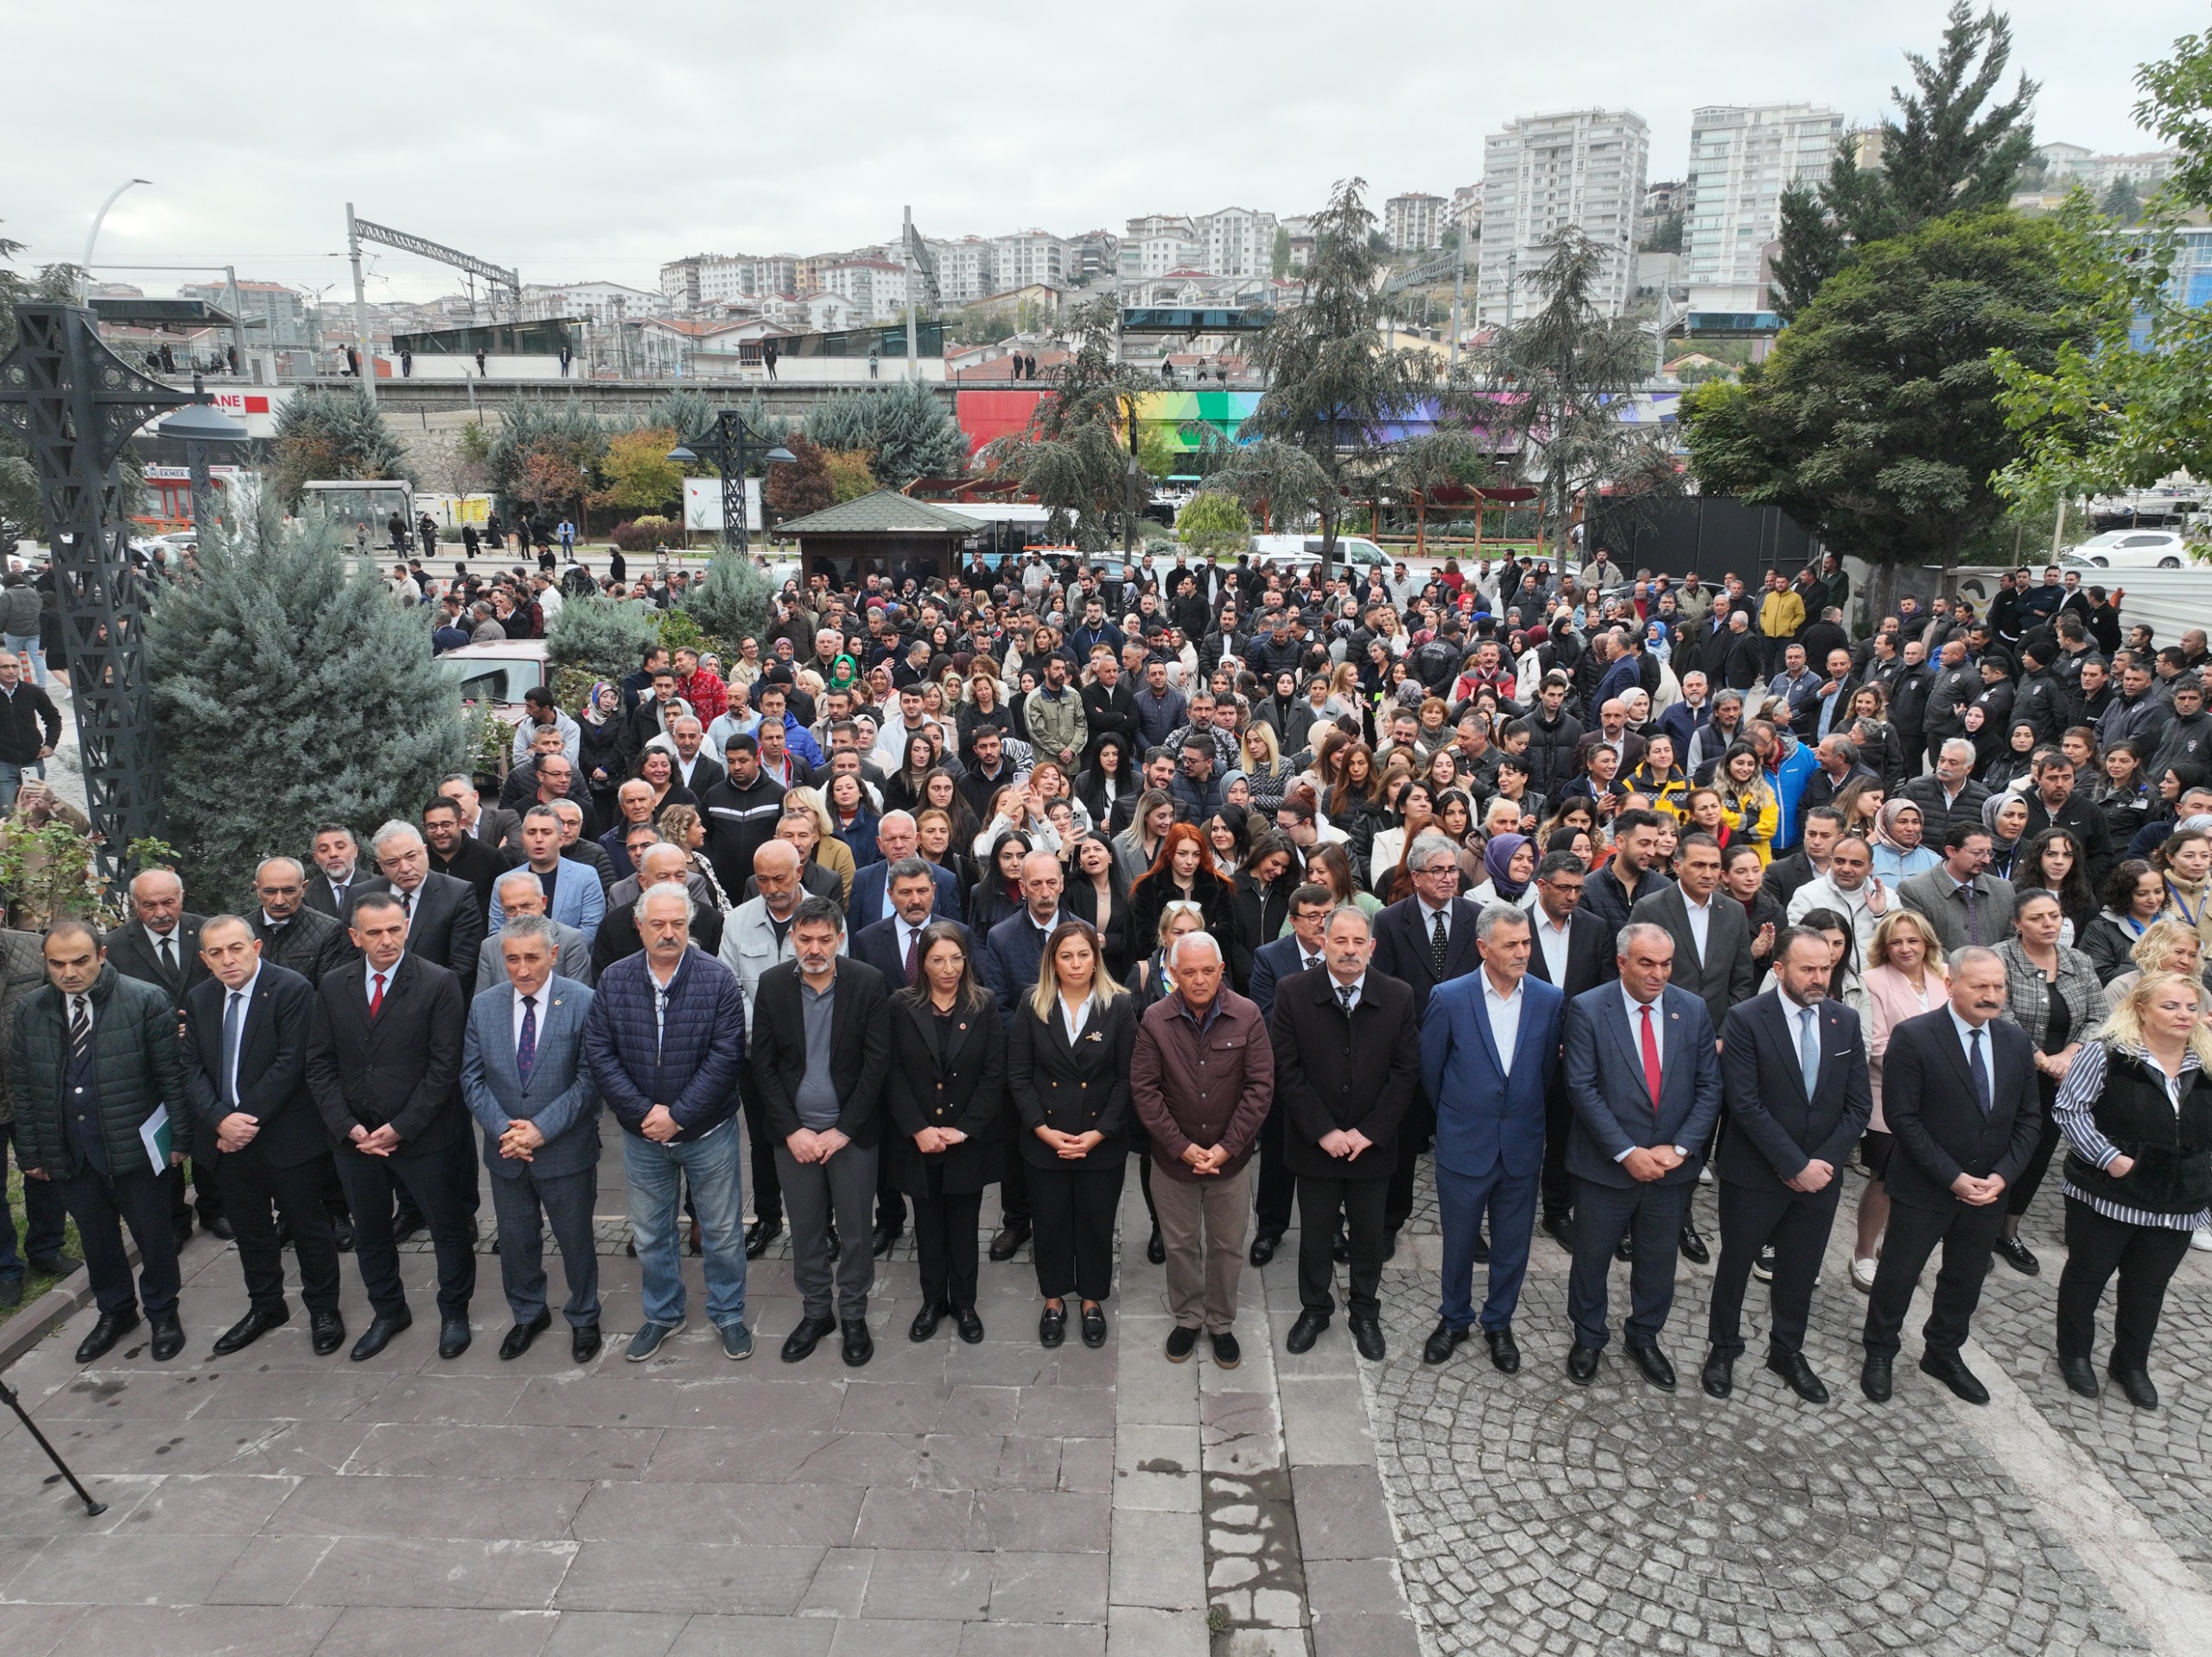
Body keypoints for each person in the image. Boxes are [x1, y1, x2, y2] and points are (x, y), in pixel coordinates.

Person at [1859, 946, 2042, 1405]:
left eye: (1998, 986)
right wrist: (1953, 1177)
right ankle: (1880, 1350)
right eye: (1980, 986)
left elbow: (2028, 1119)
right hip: (1926, 1186)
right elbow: (1903, 1117)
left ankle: (1943, 1351)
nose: (1991, 995)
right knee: (1899, 1274)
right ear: (1951, 983)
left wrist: (2002, 1177)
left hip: (1988, 1192)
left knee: (1964, 1280)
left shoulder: (2015, 1041)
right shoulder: (1916, 1036)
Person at [1701, 928, 1874, 1402]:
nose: (1820, 978)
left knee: (1800, 1269)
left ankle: (1787, 1349)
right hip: (1755, 1173)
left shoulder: (1842, 1021)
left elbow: (1858, 1105)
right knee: (1736, 1264)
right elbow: (1745, 1102)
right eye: (1808, 969)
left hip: (1821, 1176)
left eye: (1826, 968)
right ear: (1779, 970)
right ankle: (1723, 1346)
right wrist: (1793, 1163)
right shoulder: (1746, 1019)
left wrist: (1821, 1164)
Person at [305, 891, 477, 1363]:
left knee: (447, 1228)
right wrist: (347, 1127)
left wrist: (401, 1127)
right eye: (375, 932)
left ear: (406, 927)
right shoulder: (333, 984)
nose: (387, 941)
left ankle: (455, 1311)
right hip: (356, 1141)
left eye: (394, 929)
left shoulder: (438, 982)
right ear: (355, 937)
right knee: (372, 1231)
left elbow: (445, 1067)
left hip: (424, 1136)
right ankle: (388, 1310)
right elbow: (319, 1062)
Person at [583, 886, 752, 1362]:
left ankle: (728, 1312)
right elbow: (600, 1052)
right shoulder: (615, 980)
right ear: (639, 927)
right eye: (657, 924)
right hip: (642, 1137)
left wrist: (678, 1115)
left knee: (720, 1230)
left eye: (677, 923)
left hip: (707, 1132)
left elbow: (725, 1056)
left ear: (690, 925)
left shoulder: (717, 979)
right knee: (652, 1232)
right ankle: (662, 1312)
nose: (668, 932)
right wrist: (642, 1114)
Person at [13, 920, 191, 1363]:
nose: (69, 972)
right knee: (96, 1238)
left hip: (133, 1146)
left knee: (153, 1236)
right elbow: (23, 1085)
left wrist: (181, 1139)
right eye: (57, 963)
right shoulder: (30, 1009)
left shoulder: (145, 1000)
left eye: (80, 961)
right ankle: (115, 1311)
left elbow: (171, 1076)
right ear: (45, 962)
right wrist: (32, 1152)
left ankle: (163, 1312)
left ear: (102, 955)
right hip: (71, 1152)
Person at [1559, 923, 1723, 1390]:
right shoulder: (1589, 1008)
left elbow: (1710, 1087)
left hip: (1670, 1168)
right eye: (1647, 963)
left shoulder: (1691, 1010)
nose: (1658, 974)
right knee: (1591, 1258)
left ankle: (1645, 1336)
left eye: (1666, 964)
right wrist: (1626, 1152)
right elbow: (1582, 1088)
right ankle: (1589, 1336)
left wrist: (1679, 1148)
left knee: (1657, 1261)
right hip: (1605, 1167)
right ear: (1623, 962)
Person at [182, 916, 344, 1359]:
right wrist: (220, 1121)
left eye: (235, 948)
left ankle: (324, 1309)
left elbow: (291, 1063)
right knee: (252, 1231)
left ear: (256, 947)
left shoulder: (291, 990)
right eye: (215, 953)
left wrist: (243, 1121)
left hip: (286, 1136)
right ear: (204, 959)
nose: (227, 959)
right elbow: (191, 1067)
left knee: (308, 1228)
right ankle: (266, 1306)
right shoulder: (200, 999)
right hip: (226, 1144)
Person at [2050, 970, 2212, 1409]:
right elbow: (2070, 1110)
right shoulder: (2107, 1054)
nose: (2184, 1015)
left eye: (2191, 1007)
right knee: (2088, 1276)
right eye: (2171, 1005)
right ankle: (2075, 1354)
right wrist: (2110, 1159)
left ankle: (2130, 1364)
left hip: (2179, 1203)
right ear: (2141, 1008)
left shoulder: (2208, 1061)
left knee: (2148, 1288)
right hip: (2106, 1196)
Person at [1414, 903, 1561, 1372]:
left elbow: (1544, 1073)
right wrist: (1460, 1117)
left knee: (1513, 1243)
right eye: (1511, 945)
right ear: (1483, 948)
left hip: (1521, 1144)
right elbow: (1431, 1071)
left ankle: (1499, 1322)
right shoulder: (1449, 997)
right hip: (1464, 1142)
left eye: (1526, 944)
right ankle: (1454, 1319)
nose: (1522, 953)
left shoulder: (1548, 999)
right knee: (1457, 1240)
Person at [752, 896, 892, 1367]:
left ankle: (853, 1313)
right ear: (793, 937)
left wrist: (843, 1131)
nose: (814, 949)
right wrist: (791, 1131)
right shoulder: (772, 986)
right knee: (807, 1230)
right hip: (794, 1139)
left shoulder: (868, 984)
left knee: (854, 1231)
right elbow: (764, 1067)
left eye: (824, 940)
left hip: (850, 1136)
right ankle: (816, 1312)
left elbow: (877, 1065)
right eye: (805, 939)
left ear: (840, 938)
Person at [461, 914, 603, 1365]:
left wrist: (541, 1129)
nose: (522, 970)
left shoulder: (583, 1001)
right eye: (512, 960)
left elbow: (589, 1079)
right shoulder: (484, 1005)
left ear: (554, 955)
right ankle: (527, 1313)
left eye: (532, 959)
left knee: (575, 1238)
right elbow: (471, 1077)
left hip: (564, 1149)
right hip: (506, 1150)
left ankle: (584, 1315)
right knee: (517, 1238)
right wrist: (506, 1130)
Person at [1131, 930, 1273, 1368]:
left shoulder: (1248, 1015)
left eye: (1207, 971)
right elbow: (1145, 1090)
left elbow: (1260, 1088)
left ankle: (1221, 1323)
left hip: (1230, 1165)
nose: (1198, 980)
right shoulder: (1155, 1019)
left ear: (1221, 971)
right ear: (1172, 973)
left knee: (1228, 1245)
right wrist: (1181, 1147)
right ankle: (1189, 1317)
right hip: (1174, 1165)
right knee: (1180, 1245)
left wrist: (1229, 1148)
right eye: (1188, 972)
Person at [1009, 919, 1137, 1349]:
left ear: (1096, 958)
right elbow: (1019, 1075)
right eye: (1066, 955)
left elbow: (1127, 1078)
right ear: (1053, 961)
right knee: (1050, 1223)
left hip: (1101, 1141)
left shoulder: (1119, 1005)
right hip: (1046, 1140)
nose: (1076, 963)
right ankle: (1052, 1299)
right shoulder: (1033, 1004)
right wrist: (1042, 1131)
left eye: (1084, 954)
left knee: (1096, 1223)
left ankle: (1092, 1299)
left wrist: (1101, 1132)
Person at [1370, 833, 1486, 1252]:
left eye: (1452, 869)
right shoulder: (1389, 921)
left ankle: (1467, 1228)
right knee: (1400, 1146)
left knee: (1464, 1149)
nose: (1447, 877)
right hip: (1410, 1054)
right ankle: (1389, 1222)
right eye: (1437, 871)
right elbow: (1381, 992)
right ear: (1416, 877)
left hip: (1464, 1055)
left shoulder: (1477, 918)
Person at [1991, 889, 2108, 1275]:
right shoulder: (1999, 957)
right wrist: (2041, 1059)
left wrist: (2067, 1056)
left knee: (2037, 1155)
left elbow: (2099, 1017)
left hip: (2061, 1078)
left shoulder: (2078, 960)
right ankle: (1975, 1229)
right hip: (2007, 1073)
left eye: (2055, 916)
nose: (2048, 924)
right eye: (2038, 918)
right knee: (1994, 1149)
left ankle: (2008, 1231)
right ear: (2018, 923)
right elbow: (1998, 1012)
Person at [103, 867, 219, 1247]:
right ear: (135, 905)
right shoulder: (116, 946)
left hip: (207, 1054)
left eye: (168, 902)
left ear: (182, 898)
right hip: (148, 1060)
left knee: (207, 1129)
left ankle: (216, 1207)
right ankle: (173, 1218)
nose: (160, 912)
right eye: (149, 905)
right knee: (162, 1139)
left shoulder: (207, 932)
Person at [977, 849, 1077, 1260]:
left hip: (1073, 1065)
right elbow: (999, 1006)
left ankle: (1063, 1224)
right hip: (1021, 1064)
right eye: (1035, 883)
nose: (1044, 891)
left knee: (1066, 1147)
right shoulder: (1000, 936)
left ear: (1062, 883)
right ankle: (1017, 1221)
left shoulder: (1081, 932)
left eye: (1051, 882)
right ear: (1022, 887)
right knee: (1017, 1147)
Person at [1855, 910, 1950, 1292]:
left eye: (1912, 940)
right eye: (1896, 941)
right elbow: (1877, 1044)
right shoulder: (1872, 980)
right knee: (1885, 1178)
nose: (1905, 948)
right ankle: (1863, 1250)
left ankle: (1897, 1250)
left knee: (1920, 1180)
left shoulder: (1943, 976)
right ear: (1884, 946)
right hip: (1890, 1095)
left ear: (1926, 941)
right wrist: (1930, 1071)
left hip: (1941, 1100)